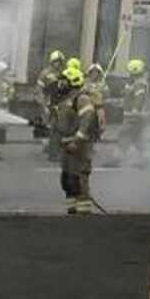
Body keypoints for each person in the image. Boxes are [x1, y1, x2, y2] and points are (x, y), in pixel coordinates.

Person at [54, 65, 98, 214]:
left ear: (73, 83)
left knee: (79, 179)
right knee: (67, 180)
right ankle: (71, 211)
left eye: (64, 82)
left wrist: (76, 141)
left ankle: (83, 213)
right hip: (67, 148)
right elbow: (63, 123)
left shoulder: (81, 99)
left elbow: (87, 119)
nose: (60, 85)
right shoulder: (64, 100)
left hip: (79, 147)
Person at [120, 58, 150, 164]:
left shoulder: (139, 83)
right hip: (136, 115)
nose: (129, 74)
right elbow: (131, 95)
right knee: (137, 137)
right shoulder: (135, 83)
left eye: (130, 72)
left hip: (133, 116)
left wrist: (135, 109)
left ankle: (118, 157)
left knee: (124, 134)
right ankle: (145, 158)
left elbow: (139, 97)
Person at [35, 50, 66, 145]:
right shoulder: (45, 73)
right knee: (46, 118)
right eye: (56, 61)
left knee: (57, 121)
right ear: (52, 61)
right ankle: (44, 139)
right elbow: (39, 89)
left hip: (57, 101)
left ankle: (54, 140)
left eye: (60, 62)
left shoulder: (61, 74)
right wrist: (43, 104)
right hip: (46, 100)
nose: (58, 64)